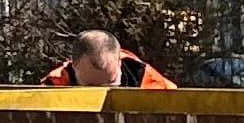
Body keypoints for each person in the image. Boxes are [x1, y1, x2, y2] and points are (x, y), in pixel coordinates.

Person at [43, 30, 171, 89]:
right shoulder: (53, 86)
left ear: (119, 62)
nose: (101, 94)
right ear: (74, 65)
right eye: (90, 87)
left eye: (111, 83)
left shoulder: (147, 80)